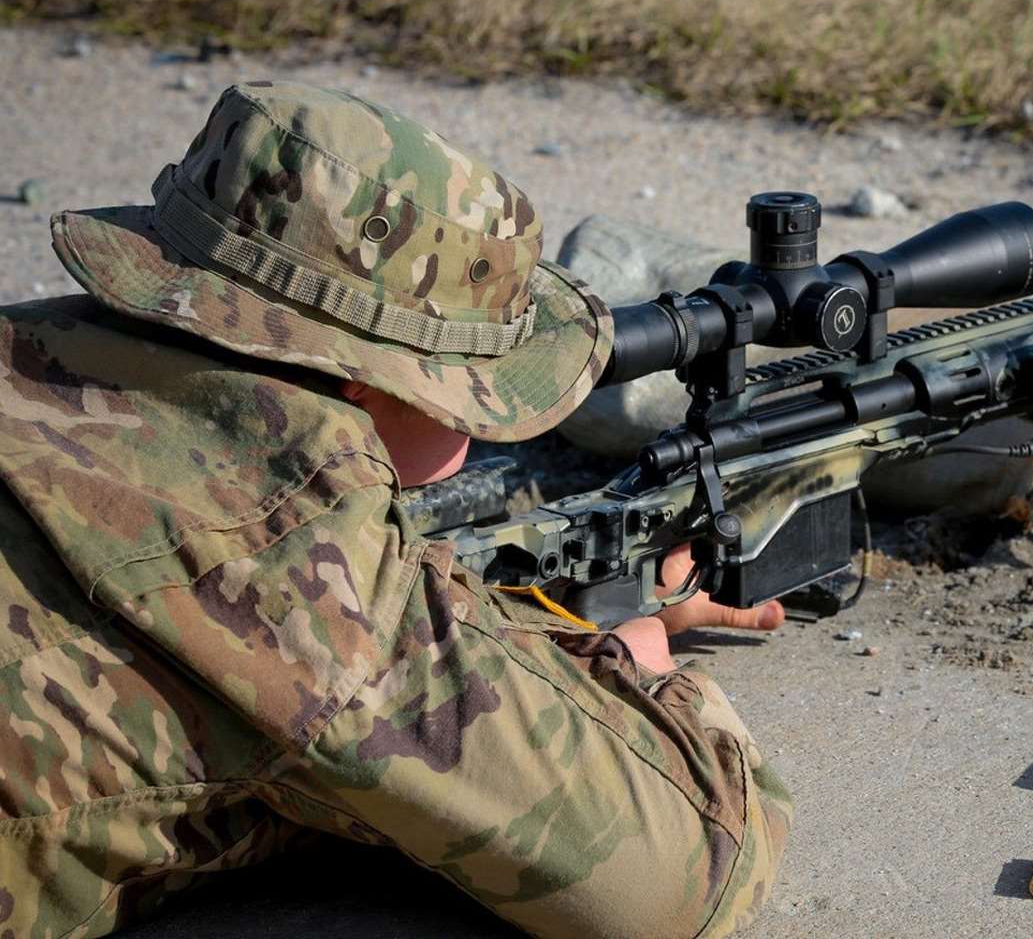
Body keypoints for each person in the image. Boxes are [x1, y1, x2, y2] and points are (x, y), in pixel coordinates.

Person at [0, 81, 790, 937]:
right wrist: (640, 675)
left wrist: (525, 619)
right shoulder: (301, 562)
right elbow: (685, 878)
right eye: (475, 398)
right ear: (368, 385)